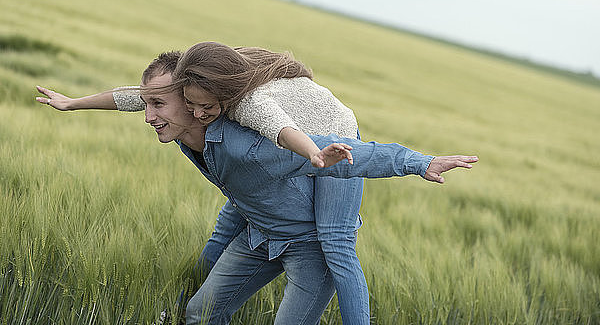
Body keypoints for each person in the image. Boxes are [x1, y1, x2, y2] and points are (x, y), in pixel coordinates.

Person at [36, 52, 478, 325]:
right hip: (260, 229)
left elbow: (335, 150)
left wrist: (420, 162)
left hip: (316, 200)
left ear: (200, 104)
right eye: (149, 105)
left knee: (336, 241)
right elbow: (133, 96)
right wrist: (72, 103)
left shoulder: (250, 131)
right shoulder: (186, 119)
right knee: (200, 311)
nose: (148, 114)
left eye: (159, 106)